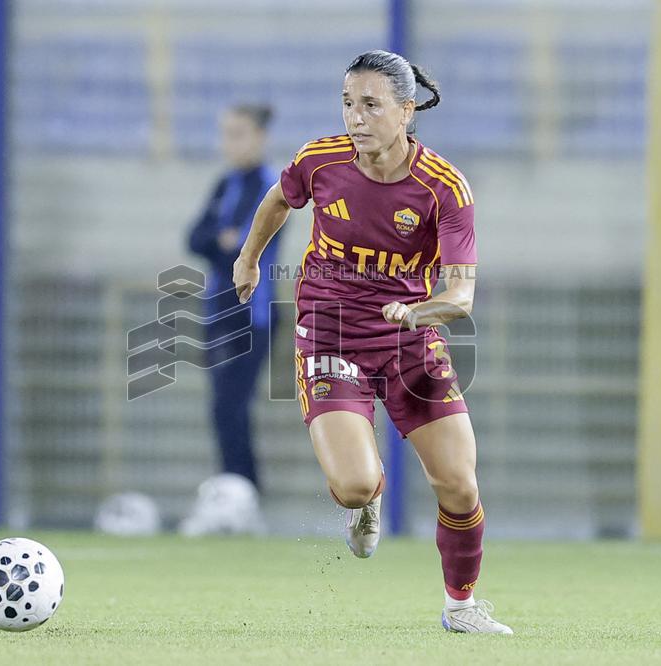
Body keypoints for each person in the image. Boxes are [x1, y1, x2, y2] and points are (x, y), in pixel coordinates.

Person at [233, 50, 513, 633]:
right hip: (329, 331)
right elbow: (280, 198)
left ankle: (460, 608)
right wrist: (250, 257)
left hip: (410, 338)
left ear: (407, 111)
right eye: (347, 103)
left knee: (459, 484)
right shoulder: (320, 161)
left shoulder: (443, 187)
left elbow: (461, 297)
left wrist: (417, 313)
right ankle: (369, 499)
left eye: (370, 105)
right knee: (355, 484)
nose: (355, 117)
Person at [182, 104, 281, 536]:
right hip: (216, 310)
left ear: (259, 137)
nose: (230, 143)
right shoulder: (225, 184)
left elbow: (241, 249)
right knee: (223, 409)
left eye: (239, 133)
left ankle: (243, 499)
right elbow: (195, 238)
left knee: (232, 407)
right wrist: (218, 241)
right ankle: (235, 497)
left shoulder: (270, 186)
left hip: (251, 315)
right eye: (225, 133)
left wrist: (224, 243)